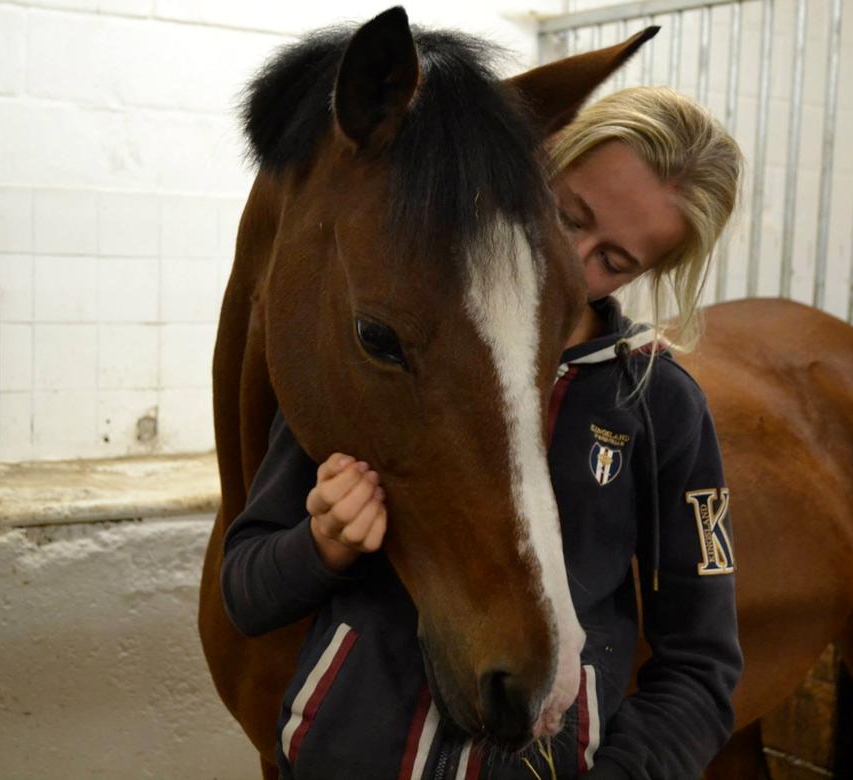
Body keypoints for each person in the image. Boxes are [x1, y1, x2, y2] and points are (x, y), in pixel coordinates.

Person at [222, 85, 743, 779]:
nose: (570, 258)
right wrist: (322, 546)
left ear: (647, 272)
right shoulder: (395, 347)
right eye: (564, 214)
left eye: (612, 261)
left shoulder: (658, 406)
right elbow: (246, 591)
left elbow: (701, 665)